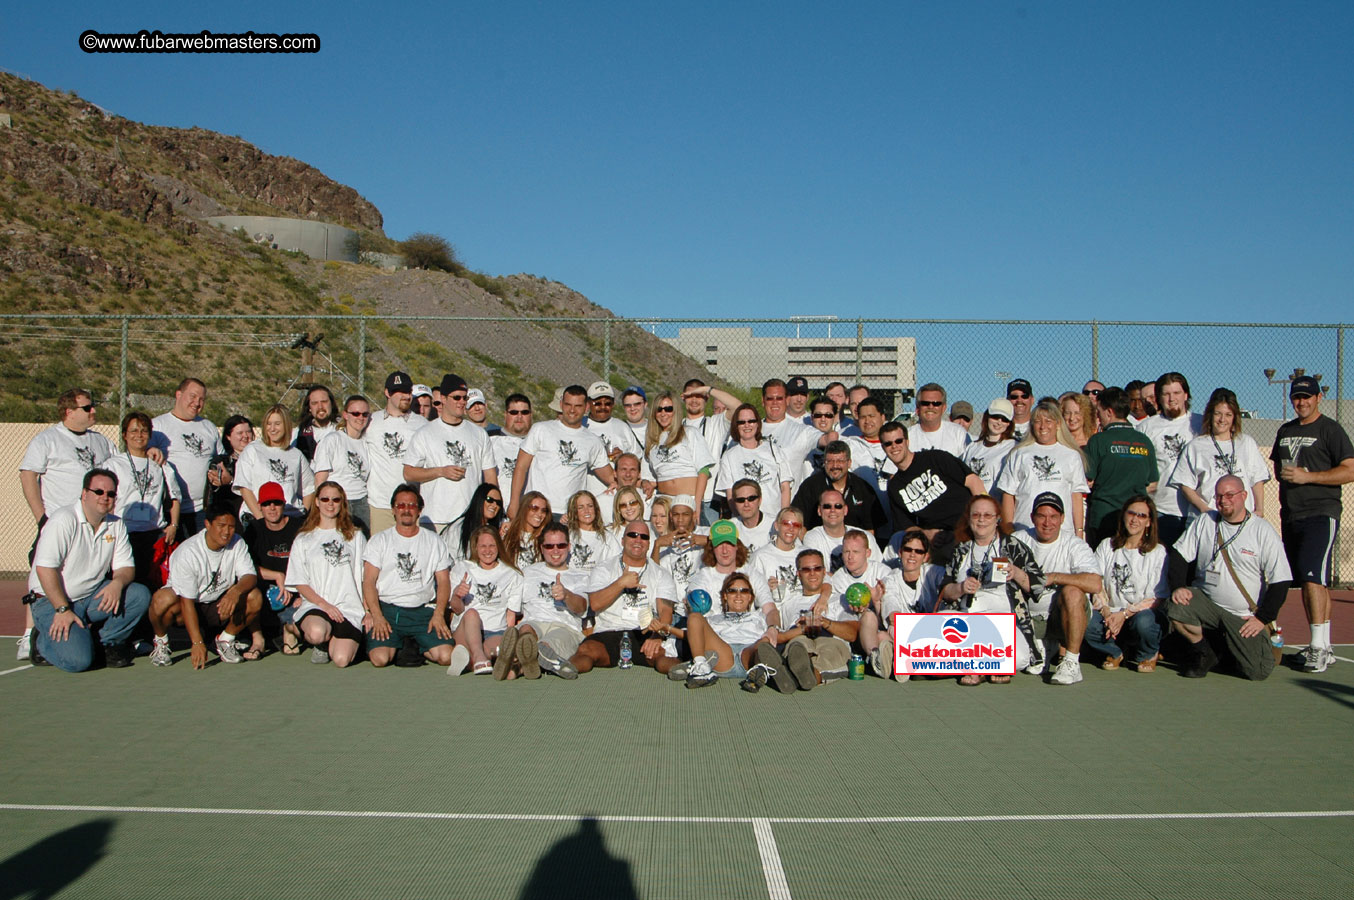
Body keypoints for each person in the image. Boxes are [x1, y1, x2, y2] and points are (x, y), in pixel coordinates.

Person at [1166, 475, 1292, 680]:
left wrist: (1262, 619)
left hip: (1242, 616)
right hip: (1208, 604)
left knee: (1258, 672)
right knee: (1177, 606)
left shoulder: (1262, 530)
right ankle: (1204, 651)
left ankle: (1225, 651)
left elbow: (1281, 580)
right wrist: (1178, 586)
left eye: (1230, 495)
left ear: (1244, 495)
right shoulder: (1205, 521)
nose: (1224, 500)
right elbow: (1179, 555)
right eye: (1219, 496)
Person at [26, 468, 150, 671]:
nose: (105, 497)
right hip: (52, 601)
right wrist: (62, 609)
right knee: (79, 661)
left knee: (138, 595)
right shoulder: (63, 520)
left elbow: (126, 567)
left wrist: (117, 583)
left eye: (111, 494)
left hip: (89, 597)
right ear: (84, 494)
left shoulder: (116, 525)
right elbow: (45, 569)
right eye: (99, 492)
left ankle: (106, 643)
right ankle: (42, 641)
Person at [1271, 374, 1354, 673]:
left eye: (1307, 396)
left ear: (1319, 398)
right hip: (1291, 515)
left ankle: (1317, 647)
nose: (1301, 402)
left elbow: (1349, 470)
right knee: (1310, 578)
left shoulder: (1331, 430)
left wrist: (1310, 477)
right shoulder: (1285, 430)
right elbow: (1279, 468)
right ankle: (1324, 646)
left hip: (1321, 513)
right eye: (1297, 397)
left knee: (1311, 579)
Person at [937, 495, 1046, 681]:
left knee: (1020, 659)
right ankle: (987, 665)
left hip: (1004, 621)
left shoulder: (1013, 547)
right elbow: (945, 592)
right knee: (938, 626)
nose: (981, 520)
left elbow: (1038, 587)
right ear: (968, 518)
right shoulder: (960, 549)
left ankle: (974, 665)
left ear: (998, 519)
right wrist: (962, 587)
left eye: (987, 515)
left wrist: (1016, 573)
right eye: (976, 515)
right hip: (967, 621)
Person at [147, 504, 262, 668]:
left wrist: (235, 591)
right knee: (161, 599)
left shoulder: (237, 542)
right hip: (187, 606)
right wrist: (197, 642)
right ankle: (161, 643)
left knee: (254, 596)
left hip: (218, 605)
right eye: (221, 526)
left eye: (231, 527)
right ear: (207, 524)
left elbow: (250, 576)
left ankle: (225, 640)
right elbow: (186, 602)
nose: (227, 532)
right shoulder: (188, 552)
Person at [360, 484, 454, 668]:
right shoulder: (379, 540)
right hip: (389, 611)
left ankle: (415, 644)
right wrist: (377, 616)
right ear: (393, 510)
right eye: (401, 506)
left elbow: (443, 581)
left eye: (412, 505)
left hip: (422, 612)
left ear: (419, 510)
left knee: (446, 657)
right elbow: (369, 581)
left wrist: (439, 614)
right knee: (380, 659)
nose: (406, 510)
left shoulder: (434, 541)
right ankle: (403, 645)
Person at [1015, 492, 1104, 686]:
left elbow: (1095, 583)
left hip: (1061, 617)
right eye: (1042, 516)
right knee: (1017, 663)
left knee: (1072, 591)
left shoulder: (1074, 544)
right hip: (1026, 619)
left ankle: (1071, 662)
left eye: (1054, 517)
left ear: (1062, 519)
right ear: (1032, 518)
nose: (1048, 523)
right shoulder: (1017, 540)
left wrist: (1054, 577)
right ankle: (1044, 646)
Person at [572, 520, 678, 675]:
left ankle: (682, 671)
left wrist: (657, 636)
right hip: (609, 630)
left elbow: (666, 612)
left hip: (644, 631)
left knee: (661, 655)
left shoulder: (661, 574)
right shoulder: (604, 569)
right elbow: (595, 604)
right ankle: (567, 670)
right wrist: (621, 583)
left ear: (649, 544)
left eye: (643, 537)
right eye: (632, 535)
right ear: (623, 540)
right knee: (586, 651)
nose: (638, 540)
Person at [403, 373, 497, 536]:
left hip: (470, 517)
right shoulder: (425, 433)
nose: (462, 402)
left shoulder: (479, 434)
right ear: (444, 399)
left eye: (464, 398)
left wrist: (491, 509)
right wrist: (440, 471)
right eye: (456, 398)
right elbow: (409, 472)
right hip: (436, 518)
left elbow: (490, 476)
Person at [286, 482, 368, 667]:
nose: (330, 504)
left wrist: (367, 611)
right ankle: (307, 635)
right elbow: (299, 582)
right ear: (316, 502)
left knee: (341, 660)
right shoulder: (304, 539)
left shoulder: (355, 536)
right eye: (325, 499)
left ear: (342, 503)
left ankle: (334, 640)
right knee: (316, 633)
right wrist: (325, 605)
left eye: (335, 499)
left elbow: (364, 577)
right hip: (317, 606)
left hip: (348, 608)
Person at [882, 420, 985, 563]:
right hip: (939, 540)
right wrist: (927, 534)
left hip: (970, 525)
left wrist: (983, 518)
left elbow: (973, 482)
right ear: (883, 448)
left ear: (907, 441)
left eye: (898, 441)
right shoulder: (894, 486)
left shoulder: (935, 458)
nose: (894, 447)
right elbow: (906, 526)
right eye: (888, 443)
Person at [751, 548, 853, 692]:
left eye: (817, 568)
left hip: (831, 640)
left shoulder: (839, 599)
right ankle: (800, 675)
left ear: (824, 572)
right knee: (797, 646)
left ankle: (799, 678)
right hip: (799, 639)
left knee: (829, 654)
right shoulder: (788, 604)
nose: (812, 573)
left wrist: (824, 622)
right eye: (806, 569)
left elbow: (852, 633)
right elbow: (779, 636)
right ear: (798, 574)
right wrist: (803, 629)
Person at [1084, 495, 1166, 672]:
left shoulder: (1157, 552)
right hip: (1109, 612)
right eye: (1131, 513)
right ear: (1124, 515)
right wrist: (1106, 611)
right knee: (1086, 619)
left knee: (1145, 623)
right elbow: (1095, 583)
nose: (1135, 519)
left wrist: (1124, 615)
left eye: (1142, 516)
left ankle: (1147, 654)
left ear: (1149, 522)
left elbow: (1155, 598)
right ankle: (1114, 652)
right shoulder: (1107, 545)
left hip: (1140, 614)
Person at [510, 384, 615, 519]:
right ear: (561, 404)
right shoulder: (541, 429)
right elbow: (520, 467)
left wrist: (639, 482)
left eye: (577, 406)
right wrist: (514, 503)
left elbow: (610, 477)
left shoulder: (593, 441)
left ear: (586, 407)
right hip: (537, 509)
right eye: (568, 404)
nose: (572, 410)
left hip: (569, 513)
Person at [1170, 388, 1269, 525]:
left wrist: (1259, 509)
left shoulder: (1246, 442)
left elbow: (1257, 479)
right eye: (1218, 414)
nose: (1222, 419)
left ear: (1234, 417)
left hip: (1241, 519)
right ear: (1210, 415)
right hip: (1207, 519)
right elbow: (1186, 485)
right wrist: (1205, 510)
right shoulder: (1196, 446)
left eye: (1228, 414)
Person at [107, 412, 181, 591]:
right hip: (125, 533)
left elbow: (174, 497)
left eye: (143, 431)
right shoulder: (113, 465)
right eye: (133, 431)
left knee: (154, 584)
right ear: (124, 435)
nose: (138, 435)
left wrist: (173, 525)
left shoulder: (161, 464)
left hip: (154, 534)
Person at [997, 399, 1089, 538]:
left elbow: (1076, 496)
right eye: (1038, 421)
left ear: (1058, 424)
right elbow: (1008, 494)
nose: (1043, 426)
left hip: (1062, 533)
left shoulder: (1071, 455)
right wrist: (1009, 528)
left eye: (1048, 421)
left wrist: (1079, 531)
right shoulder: (1019, 453)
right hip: (1025, 529)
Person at [860, 529, 944, 679]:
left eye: (918, 551)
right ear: (900, 552)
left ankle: (901, 660)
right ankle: (901, 661)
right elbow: (894, 618)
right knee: (883, 633)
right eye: (908, 549)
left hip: (930, 636)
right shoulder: (890, 579)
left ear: (926, 557)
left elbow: (949, 588)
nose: (912, 555)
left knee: (883, 637)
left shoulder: (935, 572)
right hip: (903, 634)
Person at [511, 521, 590, 679]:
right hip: (534, 622)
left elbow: (582, 607)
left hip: (565, 627)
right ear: (541, 548)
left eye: (560, 545)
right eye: (549, 546)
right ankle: (534, 662)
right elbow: (513, 607)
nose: (555, 550)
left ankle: (517, 666)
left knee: (545, 645)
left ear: (568, 547)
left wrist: (566, 595)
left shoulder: (581, 576)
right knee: (526, 631)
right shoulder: (528, 572)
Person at [1083, 387, 1158, 547]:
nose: (1098, 416)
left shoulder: (1098, 440)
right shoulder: (1144, 441)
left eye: (1099, 411)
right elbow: (1152, 482)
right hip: (1134, 519)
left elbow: (1087, 479)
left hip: (1104, 517)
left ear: (1109, 412)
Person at [447, 526, 524, 677]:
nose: (487, 551)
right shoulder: (462, 568)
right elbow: (456, 609)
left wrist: (510, 636)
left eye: (492, 546)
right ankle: (478, 657)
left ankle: (470, 661)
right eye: (483, 546)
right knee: (471, 614)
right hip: (466, 628)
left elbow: (510, 615)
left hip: (494, 630)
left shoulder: (512, 574)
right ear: (475, 547)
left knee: (496, 650)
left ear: (498, 547)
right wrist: (456, 595)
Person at [1135, 372, 1201, 548]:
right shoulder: (1146, 428)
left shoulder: (1200, 424)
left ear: (1186, 395)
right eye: (1166, 394)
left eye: (1177, 393)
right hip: (1161, 510)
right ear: (1159, 398)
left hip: (1197, 511)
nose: (1172, 399)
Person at [150, 378, 221, 536]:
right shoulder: (158, 426)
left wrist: (222, 475)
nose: (197, 403)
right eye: (193, 396)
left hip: (201, 510)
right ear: (178, 394)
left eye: (202, 399)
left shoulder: (209, 427)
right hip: (170, 511)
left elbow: (220, 460)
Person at [680, 572, 776, 688]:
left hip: (749, 655)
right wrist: (668, 629)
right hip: (723, 654)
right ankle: (701, 669)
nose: (738, 595)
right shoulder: (713, 618)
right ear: (725, 595)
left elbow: (777, 635)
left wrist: (801, 629)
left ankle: (758, 672)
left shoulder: (759, 616)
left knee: (765, 641)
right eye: (732, 591)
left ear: (750, 596)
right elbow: (694, 636)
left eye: (744, 591)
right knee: (695, 617)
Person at [243, 481, 304, 657]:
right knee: (248, 592)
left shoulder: (298, 528)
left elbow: (311, 566)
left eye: (276, 503)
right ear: (259, 507)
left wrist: (301, 593)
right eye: (266, 503)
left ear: (284, 504)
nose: (272, 508)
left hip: (294, 590)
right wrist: (277, 575)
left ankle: (288, 631)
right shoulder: (253, 530)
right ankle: (258, 640)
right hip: (264, 589)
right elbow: (246, 567)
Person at [364, 371, 426, 534]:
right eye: (400, 392)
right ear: (387, 393)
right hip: (380, 505)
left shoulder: (422, 424)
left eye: (408, 391)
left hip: (411, 506)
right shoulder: (371, 422)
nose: (406, 396)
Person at [791, 439, 888, 542]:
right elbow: (797, 521)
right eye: (830, 461)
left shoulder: (862, 488)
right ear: (824, 462)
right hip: (820, 546)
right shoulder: (811, 486)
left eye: (840, 461)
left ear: (849, 463)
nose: (835, 466)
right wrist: (810, 547)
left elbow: (871, 529)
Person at [234, 404, 315, 520]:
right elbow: (244, 487)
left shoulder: (296, 454)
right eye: (269, 424)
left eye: (277, 424)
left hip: (289, 517)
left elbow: (309, 487)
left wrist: (302, 514)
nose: (272, 428)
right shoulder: (253, 450)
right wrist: (260, 518)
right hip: (259, 517)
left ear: (286, 426)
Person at [715, 403, 793, 518]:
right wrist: (742, 520)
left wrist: (783, 517)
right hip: (745, 521)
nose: (747, 425)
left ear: (757, 424)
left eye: (751, 421)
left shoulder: (773, 449)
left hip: (774, 518)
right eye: (741, 422)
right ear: (736, 426)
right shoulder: (729, 456)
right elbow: (730, 495)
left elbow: (785, 486)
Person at [312, 394, 373, 532]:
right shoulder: (333, 440)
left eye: (364, 414)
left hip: (361, 501)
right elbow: (320, 479)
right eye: (356, 413)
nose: (360, 418)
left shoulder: (365, 444)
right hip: (338, 501)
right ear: (345, 415)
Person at [644, 390, 716, 505]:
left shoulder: (690, 433)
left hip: (689, 501)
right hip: (663, 502)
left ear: (676, 411)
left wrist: (697, 504)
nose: (663, 413)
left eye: (668, 409)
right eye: (659, 409)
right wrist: (646, 484)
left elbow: (704, 471)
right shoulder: (651, 441)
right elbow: (648, 477)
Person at [802, 489, 877, 571]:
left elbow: (876, 569)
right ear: (819, 511)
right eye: (827, 506)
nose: (833, 510)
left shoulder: (866, 537)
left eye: (838, 506)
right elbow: (816, 573)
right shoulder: (812, 538)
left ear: (845, 510)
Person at [652, 496, 707, 600]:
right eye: (676, 515)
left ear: (694, 515)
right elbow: (654, 574)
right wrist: (657, 545)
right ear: (671, 516)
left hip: (702, 602)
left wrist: (707, 541)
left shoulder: (706, 532)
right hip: (676, 606)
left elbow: (732, 548)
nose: (680, 519)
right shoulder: (665, 541)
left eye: (685, 514)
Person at [203, 414, 253, 522]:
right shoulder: (221, 462)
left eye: (248, 432)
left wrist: (231, 480)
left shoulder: (259, 460)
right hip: (231, 516)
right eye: (240, 433)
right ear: (228, 436)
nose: (245, 436)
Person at [960, 399, 1016, 494]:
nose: (999, 422)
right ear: (987, 417)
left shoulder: (1013, 447)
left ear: (1009, 424)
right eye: (995, 417)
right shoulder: (973, 447)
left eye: (1004, 419)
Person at [490, 393, 533, 508]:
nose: (519, 417)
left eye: (524, 412)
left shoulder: (540, 442)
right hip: (498, 509)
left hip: (531, 511)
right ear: (505, 414)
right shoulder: (489, 440)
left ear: (530, 415)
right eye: (514, 412)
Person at [446, 482, 507, 564]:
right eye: (490, 500)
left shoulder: (497, 528)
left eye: (498, 503)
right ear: (479, 499)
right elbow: (453, 558)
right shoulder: (459, 527)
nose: (494, 505)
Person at [908, 382, 971, 457]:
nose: (930, 407)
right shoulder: (906, 436)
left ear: (943, 408)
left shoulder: (958, 433)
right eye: (925, 403)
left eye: (936, 403)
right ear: (917, 408)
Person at [501, 491, 552, 568]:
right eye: (534, 508)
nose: (539, 514)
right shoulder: (507, 532)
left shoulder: (545, 537)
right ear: (524, 508)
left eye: (543, 510)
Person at [725, 478, 776, 552]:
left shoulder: (775, 524)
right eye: (740, 500)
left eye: (751, 498)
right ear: (734, 503)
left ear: (760, 500)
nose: (746, 504)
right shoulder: (729, 527)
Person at [564, 490, 608, 570]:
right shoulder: (567, 535)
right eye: (580, 507)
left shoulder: (607, 536)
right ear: (574, 511)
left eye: (590, 506)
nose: (586, 511)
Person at [292, 384, 339, 460]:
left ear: (331, 404)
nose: (320, 407)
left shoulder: (342, 429)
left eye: (324, 402)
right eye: (315, 403)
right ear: (309, 408)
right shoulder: (298, 433)